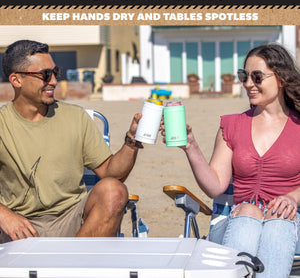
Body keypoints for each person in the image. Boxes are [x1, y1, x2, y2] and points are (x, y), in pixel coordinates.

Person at [162, 43, 300, 277]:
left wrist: (292, 197)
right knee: (248, 211)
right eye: (244, 76)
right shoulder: (232, 125)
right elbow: (215, 186)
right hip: (237, 222)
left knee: (278, 218)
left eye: (257, 77)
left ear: (281, 79)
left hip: (290, 224)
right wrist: (191, 147)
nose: (248, 84)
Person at [0, 39, 144, 243]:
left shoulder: (75, 117)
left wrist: (131, 141)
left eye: (55, 72)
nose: (54, 82)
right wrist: (4, 215)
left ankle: (74, 263)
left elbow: (111, 173)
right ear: (16, 80)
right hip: (16, 227)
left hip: (71, 221)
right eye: (45, 75)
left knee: (114, 190)